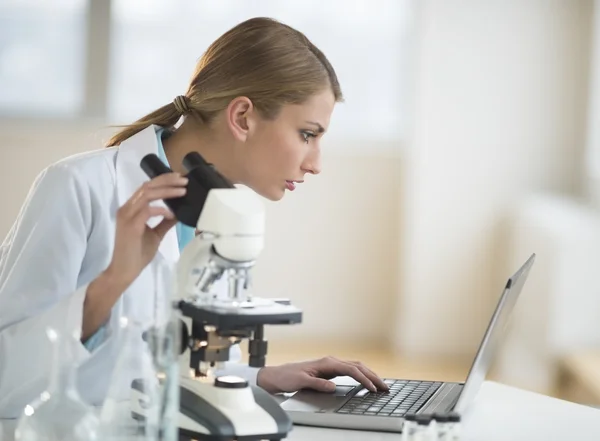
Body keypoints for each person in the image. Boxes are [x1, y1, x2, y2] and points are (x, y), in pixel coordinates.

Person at [0, 17, 388, 418]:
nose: (316, 164)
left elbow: (179, 368)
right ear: (242, 117)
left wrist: (263, 377)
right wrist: (110, 284)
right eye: (307, 134)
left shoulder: (224, 211)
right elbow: (6, 380)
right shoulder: (76, 187)